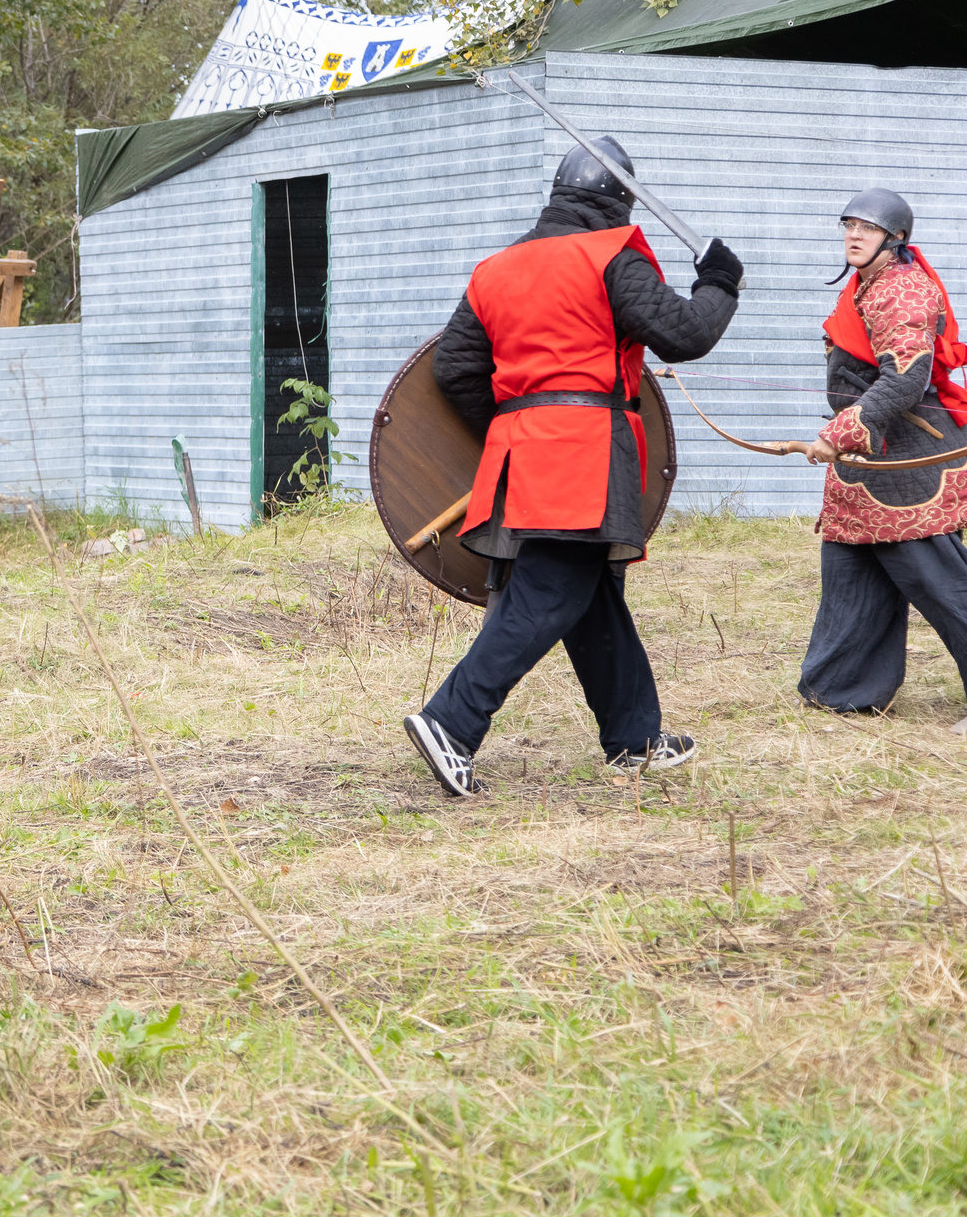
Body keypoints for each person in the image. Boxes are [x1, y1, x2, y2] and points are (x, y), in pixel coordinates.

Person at [404, 135, 744, 796]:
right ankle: (451, 722)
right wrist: (719, 282)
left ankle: (634, 739)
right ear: (619, 202)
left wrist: (517, 422)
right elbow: (685, 333)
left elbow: (455, 368)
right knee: (550, 591)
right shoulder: (611, 256)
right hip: (585, 453)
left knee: (589, 591)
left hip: (521, 451)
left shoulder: (496, 268)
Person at [795, 190, 967, 714]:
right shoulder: (868, 284)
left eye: (867, 228)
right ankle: (842, 692)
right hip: (867, 467)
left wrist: (838, 434)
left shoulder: (903, 289)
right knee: (853, 575)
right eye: (849, 224)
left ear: (895, 238)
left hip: (908, 468)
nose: (854, 234)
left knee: (944, 589)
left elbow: (905, 380)